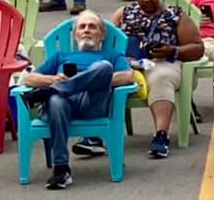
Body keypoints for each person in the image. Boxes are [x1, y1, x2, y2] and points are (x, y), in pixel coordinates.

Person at [20, 10, 135, 190]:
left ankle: (53, 91)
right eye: (82, 27)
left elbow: (128, 76)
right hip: (61, 104)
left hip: (92, 103)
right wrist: (52, 79)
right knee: (56, 101)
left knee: (103, 68)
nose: (87, 30)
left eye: (92, 27)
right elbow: (28, 78)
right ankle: (61, 170)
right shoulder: (61, 56)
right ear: (75, 34)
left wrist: (95, 81)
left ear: (102, 34)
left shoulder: (111, 55)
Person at [113, 0, 204, 159]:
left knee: (161, 77)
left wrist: (173, 50)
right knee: (104, 75)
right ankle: (94, 137)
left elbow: (198, 47)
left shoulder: (175, 15)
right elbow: (109, 41)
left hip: (162, 63)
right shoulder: (125, 14)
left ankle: (161, 136)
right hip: (129, 64)